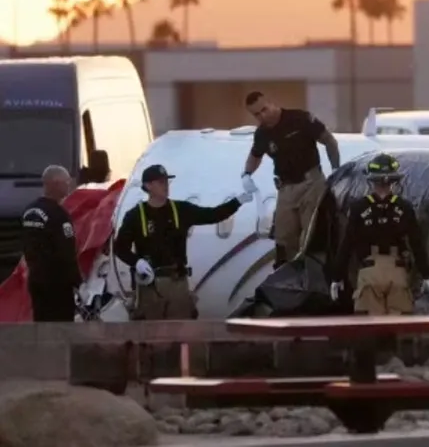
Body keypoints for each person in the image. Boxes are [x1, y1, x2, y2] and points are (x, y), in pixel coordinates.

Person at [113, 164, 253, 320]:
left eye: (166, 182)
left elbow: (212, 215)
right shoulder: (135, 215)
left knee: (183, 329)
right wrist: (136, 262)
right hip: (150, 285)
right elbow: (120, 248)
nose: (166, 186)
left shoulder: (180, 210)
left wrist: (237, 202)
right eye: (160, 182)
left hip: (177, 282)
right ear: (148, 186)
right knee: (151, 332)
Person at [329, 153, 429, 315]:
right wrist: (426, 275)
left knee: (371, 328)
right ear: (394, 181)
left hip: (369, 272)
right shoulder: (405, 207)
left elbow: (347, 244)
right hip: (398, 272)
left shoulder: (359, 207)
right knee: (398, 327)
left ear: (371, 180)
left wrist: (337, 276)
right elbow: (417, 243)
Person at [242, 91, 341, 267]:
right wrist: (246, 174)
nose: (262, 116)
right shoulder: (262, 134)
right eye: (256, 114)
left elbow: (329, 141)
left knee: (311, 234)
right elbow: (255, 155)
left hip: (311, 183)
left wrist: (335, 169)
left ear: (272, 102)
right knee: (284, 237)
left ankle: (316, 278)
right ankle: (290, 279)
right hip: (286, 188)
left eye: (264, 109)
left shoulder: (299, 119)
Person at [21, 165, 81, 322]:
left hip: (36, 280)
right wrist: (78, 281)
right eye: (66, 182)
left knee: (41, 324)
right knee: (61, 327)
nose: (69, 185)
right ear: (55, 184)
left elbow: (27, 245)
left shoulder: (29, 211)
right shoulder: (59, 214)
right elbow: (66, 252)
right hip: (57, 284)